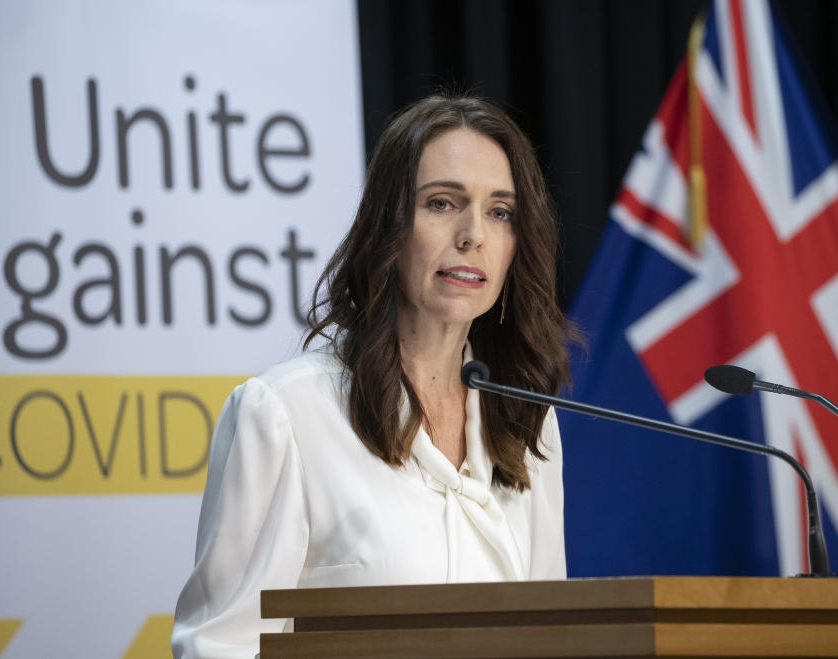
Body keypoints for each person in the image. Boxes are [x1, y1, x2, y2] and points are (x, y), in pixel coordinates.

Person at [171, 94, 575, 657]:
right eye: (441, 203)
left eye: (500, 212)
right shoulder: (287, 413)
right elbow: (220, 645)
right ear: (387, 225)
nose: (473, 235)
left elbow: (548, 635)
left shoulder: (528, 421)